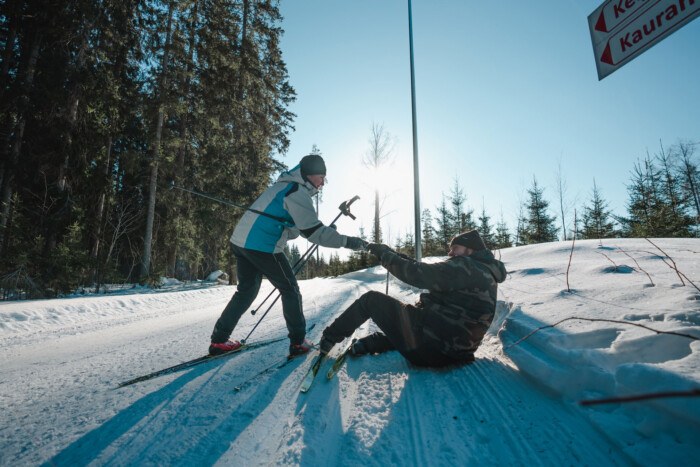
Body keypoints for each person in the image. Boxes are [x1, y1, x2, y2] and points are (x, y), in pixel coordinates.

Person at [209, 154, 367, 357]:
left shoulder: (284, 186)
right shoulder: (297, 191)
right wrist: (349, 242)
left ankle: (219, 341)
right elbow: (313, 233)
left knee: (246, 292)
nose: (323, 183)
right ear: (309, 175)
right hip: (262, 246)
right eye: (321, 178)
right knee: (290, 289)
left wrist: (324, 231)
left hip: (241, 242)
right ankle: (298, 342)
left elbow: (297, 228)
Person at [319, 230, 507, 367]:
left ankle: (328, 339)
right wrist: (392, 254)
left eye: (455, 248)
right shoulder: (483, 270)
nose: (450, 253)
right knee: (413, 317)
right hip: (455, 350)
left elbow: (418, 274)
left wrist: (384, 255)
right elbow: (424, 268)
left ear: (469, 250)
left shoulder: (465, 266)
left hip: (433, 347)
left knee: (371, 300)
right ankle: (372, 343)